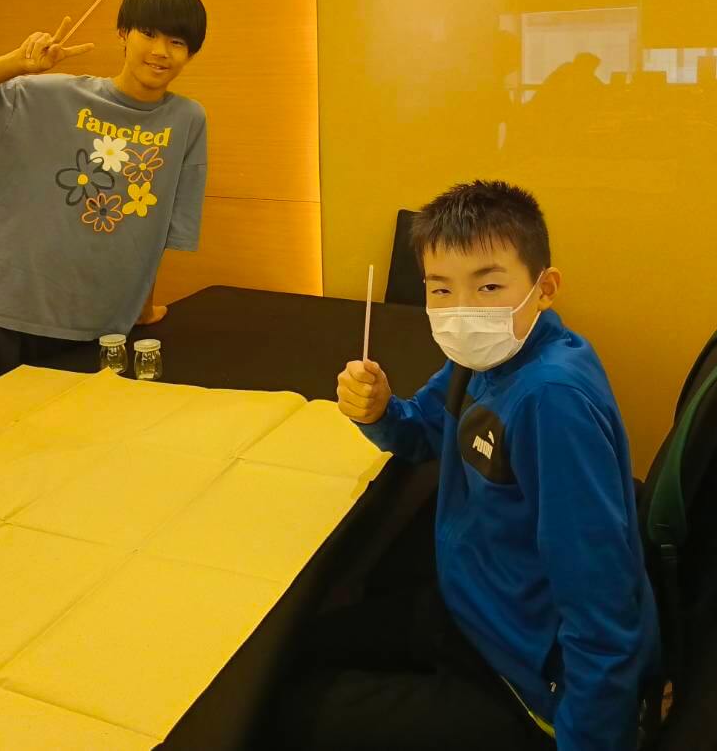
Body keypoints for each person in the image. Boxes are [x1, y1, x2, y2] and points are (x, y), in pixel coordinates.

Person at [277, 180, 658, 751]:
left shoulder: (550, 401)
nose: (464, 310)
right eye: (441, 289)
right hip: (475, 607)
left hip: (526, 677)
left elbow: (602, 602)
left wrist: (588, 738)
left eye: (489, 286)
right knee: (289, 650)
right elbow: (423, 433)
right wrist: (380, 411)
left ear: (544, 288)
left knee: (287, 714)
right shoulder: (482, 358)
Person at [0, 0, 208, 383]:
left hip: (98, 326)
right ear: (123, 33)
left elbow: (157, 228)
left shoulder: (187, 120)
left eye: (177, 42)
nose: (160, 51)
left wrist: (142, 307)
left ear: (191, 53)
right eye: (148, 33)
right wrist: (17, 63)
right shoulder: (46, 96)